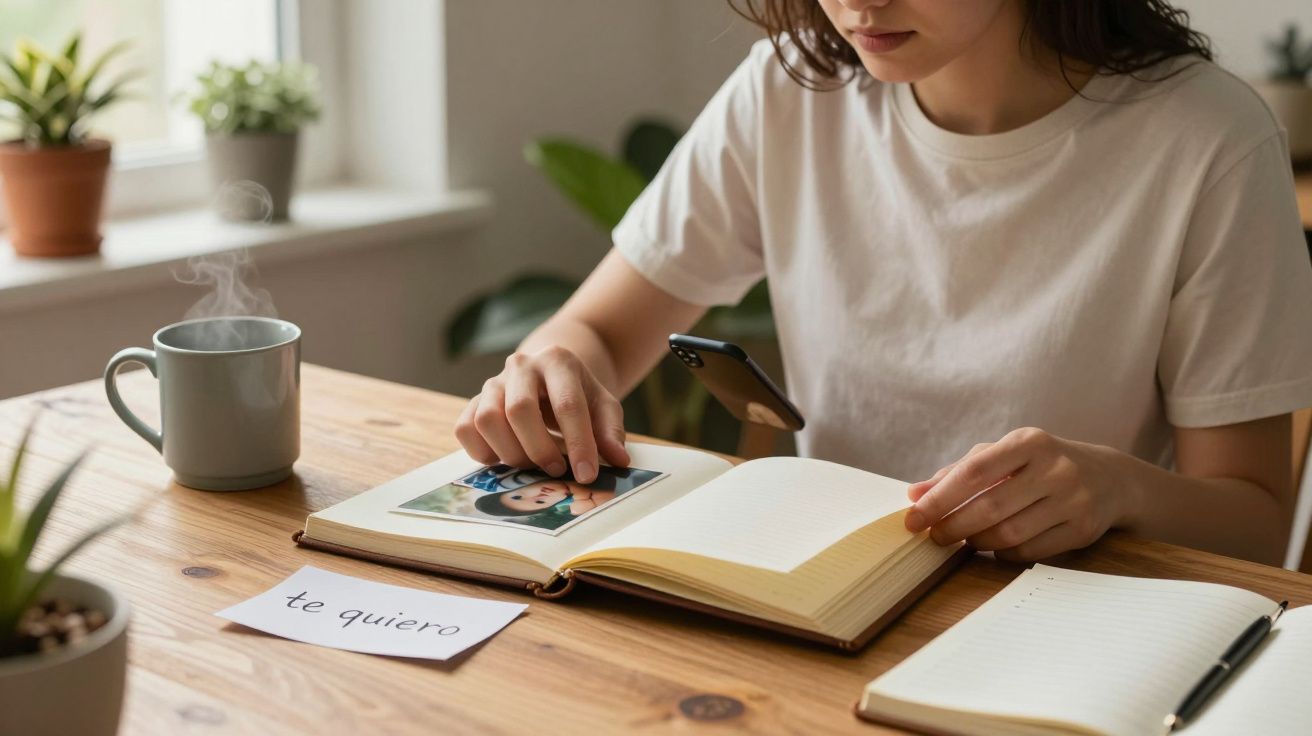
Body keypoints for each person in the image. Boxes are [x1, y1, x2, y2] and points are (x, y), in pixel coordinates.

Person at [456, 0, 1312, 566]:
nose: (860, 1)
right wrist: (552, 367)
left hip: (1065, 626)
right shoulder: (793, 90)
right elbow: (596, 332)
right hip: (829, 602)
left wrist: (1121, 488)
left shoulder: (1210, 143)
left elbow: (1256, 521)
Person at [474, 478, 616, 518]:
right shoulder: (585, 500)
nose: (538, 495)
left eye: (518, 496)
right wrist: (580, 495)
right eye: (540, 502)